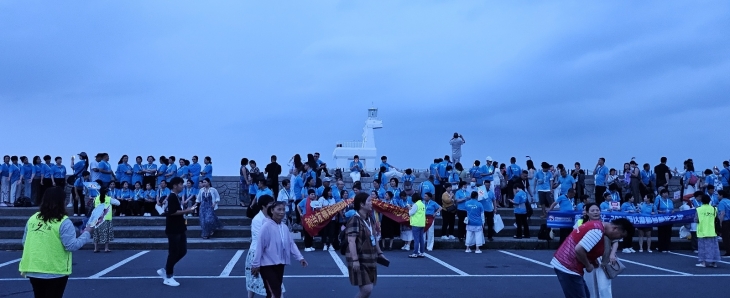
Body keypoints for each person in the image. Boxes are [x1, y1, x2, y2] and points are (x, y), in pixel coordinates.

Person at [19, 187, 94, 298]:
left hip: (33, 267)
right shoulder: (63, 221)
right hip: (54, 269)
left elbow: (25, 242)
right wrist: (87, 233)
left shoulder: (33, 219)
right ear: (62, 202)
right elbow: (71, 245)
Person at [552, 216, 633, 298]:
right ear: (615, 228)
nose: (619, 239)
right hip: (567, 267)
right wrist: (588, 265)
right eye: (620, 236)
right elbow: (579, 249)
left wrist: (592, 261)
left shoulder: (596, 225)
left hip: (567, 265)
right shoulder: (597, 231)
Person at [251, 201, 308, 298]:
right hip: (267, 265)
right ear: (272, 211)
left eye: (283, 210)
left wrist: (300, 258)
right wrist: (256, 264)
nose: (282, 212)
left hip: (280, 264)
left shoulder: (284, 227)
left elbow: (291, 244)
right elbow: (260, 246)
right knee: (275, 292)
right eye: (279, 209)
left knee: (272, 292)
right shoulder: (266, 227)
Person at [157, 177, 197, 287]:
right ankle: (168, 277)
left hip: (180, 228)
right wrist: (188, 210)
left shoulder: (176, 197)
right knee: (173, 252)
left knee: (183, 251)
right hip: (173, 229)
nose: (182, 185)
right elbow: (173, 212)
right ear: (175, 185)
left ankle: (166, 269)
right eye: (181, 184)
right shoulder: (171, 197)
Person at [347, 192, 387, 298]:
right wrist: (355, 260)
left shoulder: (370, 218)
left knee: (368, 289)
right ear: (361, 204)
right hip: (359, 259)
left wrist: (379, 252)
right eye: (369, 200)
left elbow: (374, 236)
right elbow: (351, 241)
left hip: (370, 257)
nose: (371, 203)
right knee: (367, 289)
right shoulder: (355, 220)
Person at [245, 195, 286, 298]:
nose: (272, 207)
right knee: (265, 285)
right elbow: (262, 241)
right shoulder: (258, 220)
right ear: (263, 206)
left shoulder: (272, 218)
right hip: (259, 255)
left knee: (265, 284)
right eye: (270, 205)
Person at [695, 194, 721, 267]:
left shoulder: (699, 209)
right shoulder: (714, 208)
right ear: (709, 200)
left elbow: (696, 220)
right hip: (712, 230)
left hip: (702, 231)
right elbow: (716, 218)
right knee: (713, 247)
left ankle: (703, 262)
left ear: (702, 201)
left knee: (703, 248)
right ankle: (714, 263)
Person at [92, 187, 119, 253]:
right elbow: (118, 203)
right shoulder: (109, 198)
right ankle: (106, 248)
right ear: (107, 192)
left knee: (96, 233)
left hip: (97, 219)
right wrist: (112, 198)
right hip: (106, 218)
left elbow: (93, 205)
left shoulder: (95, 198)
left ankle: (96, 248)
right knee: (106, 233)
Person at [654, 188, 676, 253]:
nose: (665, 194)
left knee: (668, 233)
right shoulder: (659, 200)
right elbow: (655, 208)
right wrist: (660, 211)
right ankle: (661, 247)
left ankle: (667, 247)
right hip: (661, 218)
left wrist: (673, 211)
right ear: (661, 194)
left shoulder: (670, 201)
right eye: (664, 193)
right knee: (662, 233)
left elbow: (672, 208)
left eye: (666, 193)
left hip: (669, 219)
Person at [318, 186, 338, 251]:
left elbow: (334, 207)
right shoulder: (321, 198)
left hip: (332, 218)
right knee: (324, 232)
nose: (330, 192)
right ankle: (324, 244)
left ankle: (331, 244)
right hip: (324, 218)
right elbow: (319, 207)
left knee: (331, 232)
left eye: (331, 191)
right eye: (329, 191)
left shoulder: (333, 199)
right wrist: (327, 206)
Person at [717, 190, 730, 257]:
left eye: (718, 195)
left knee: (725, 237)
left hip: (725, 221)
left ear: (721, 195)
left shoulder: (721, 202)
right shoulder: (728, 201)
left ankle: (728, 251)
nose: (717, 196)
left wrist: (720, 223)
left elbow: (722, 213)